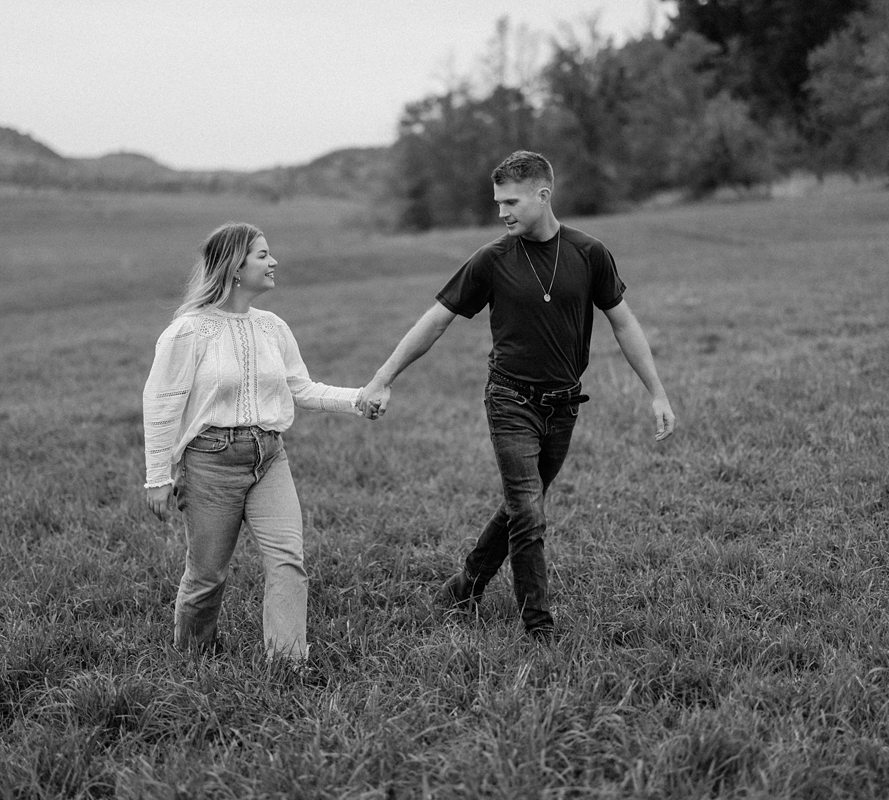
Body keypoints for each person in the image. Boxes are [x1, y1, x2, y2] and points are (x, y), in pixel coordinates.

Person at [357, 150, 675, 641]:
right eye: (497, 203)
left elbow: (623, 321)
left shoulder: (589, 253)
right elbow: (436, 318)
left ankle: (466, 586)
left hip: (564, 404)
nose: (501, 213)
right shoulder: (493, 259)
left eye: (511, 202)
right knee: (528, 510)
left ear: (543, 195)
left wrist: (657, 392)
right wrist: (383, 376)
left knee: (518, 506)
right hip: (510, 399)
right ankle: (539, 627)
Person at [142, 222, 379, 663]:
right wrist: (158, 476)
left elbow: (302, 389)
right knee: (208, 575)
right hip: (210, 462)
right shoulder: (188, 331)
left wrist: (358, 400)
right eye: (263, 255)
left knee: (289, 560)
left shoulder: (272, 327)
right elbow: (161, 405)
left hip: (269, 457)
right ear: (235, 266)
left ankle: (287, 663)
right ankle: (194, 659)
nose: (274, 262)